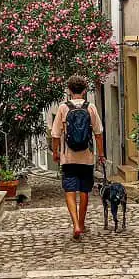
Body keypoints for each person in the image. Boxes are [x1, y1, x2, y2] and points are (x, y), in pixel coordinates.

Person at [51, 75, 105, 240]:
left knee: (69, 190)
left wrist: (55, 152)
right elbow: (98, 134)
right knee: (84, 190)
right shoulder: (91, 108)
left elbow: (55, 134)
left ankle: (75, 224)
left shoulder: (63, 108)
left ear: (69, 90)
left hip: (68, 157)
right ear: (84, 91)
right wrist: (101, 154)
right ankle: (81, 223)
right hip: (86, 157)